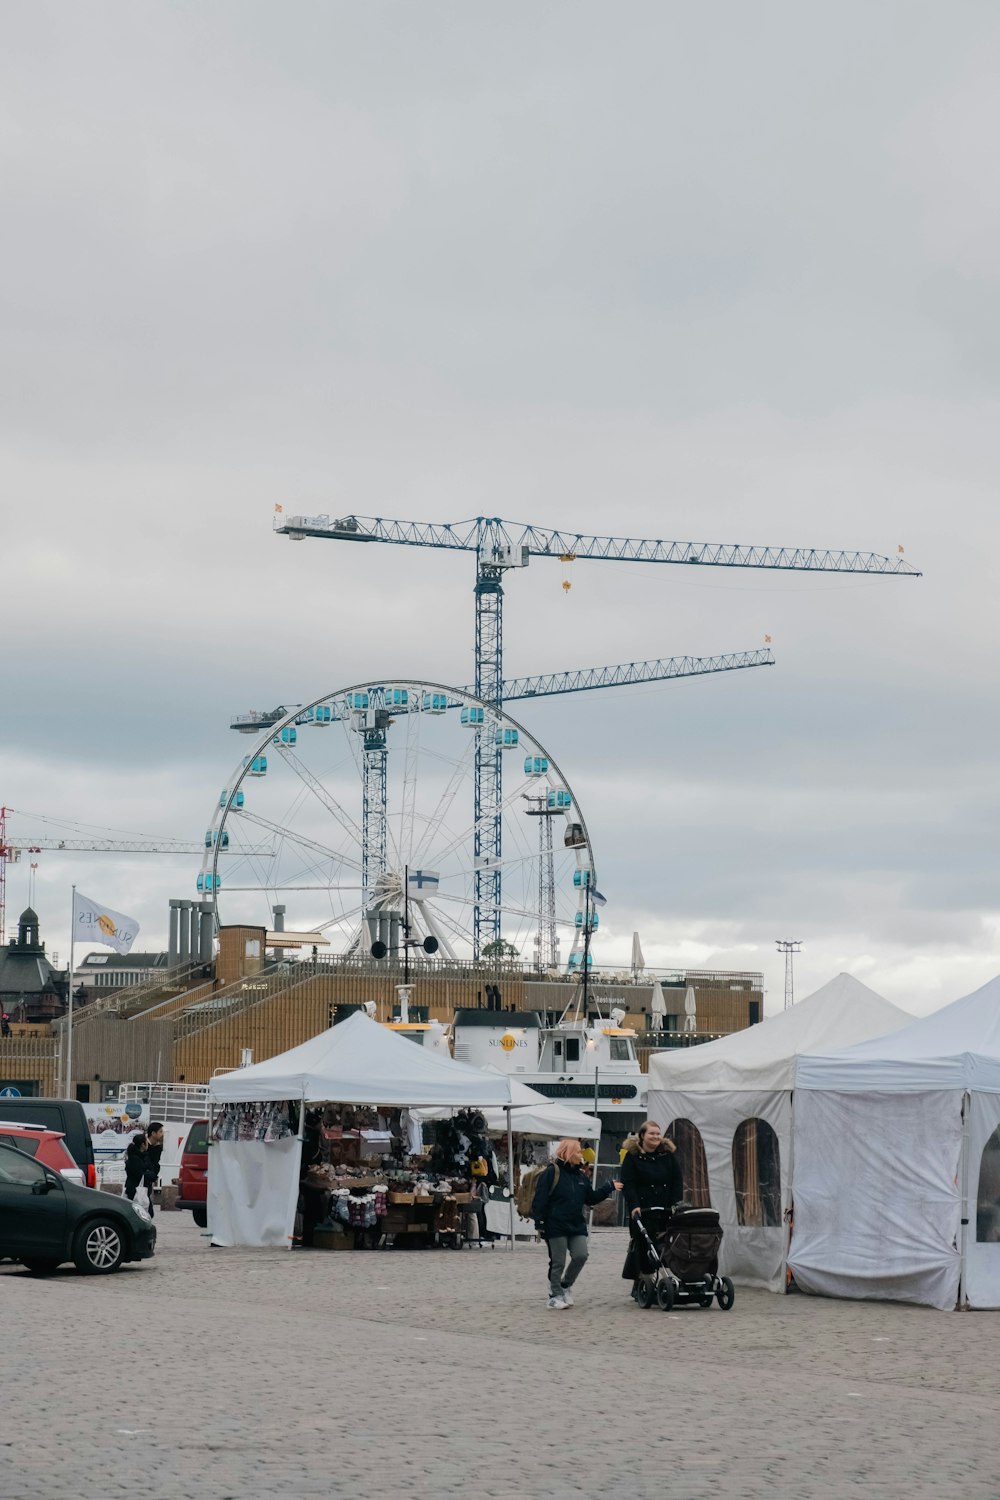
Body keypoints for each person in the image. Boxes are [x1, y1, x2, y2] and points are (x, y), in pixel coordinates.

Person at [531, 1138, 622, 1310]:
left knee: (581, 1255)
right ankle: (554, 1295)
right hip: (555, 1224)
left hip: (576, 1224)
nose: (581, 1154)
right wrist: (540, 1222)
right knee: (558, 1261)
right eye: (578, 1151)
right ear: (568, 1152)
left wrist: (608, 1187)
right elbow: (540, 1198)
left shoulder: (581, 1176)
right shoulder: (552, 1172)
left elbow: (590, 1198)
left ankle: (565, 1285)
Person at [620, 1120, 684, 1297]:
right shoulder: (632, 1157)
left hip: (664, 1207)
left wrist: (675, 1204)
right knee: (642, 1243)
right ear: (642, 1136)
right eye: (652, 1134)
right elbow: (628, 1184)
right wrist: (634, 1205)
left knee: (664, 1243)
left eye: (658, 1133)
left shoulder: (668, 1156)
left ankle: (662, 1277)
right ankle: (641, 1280)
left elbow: (677, 1181)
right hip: (642, 1207)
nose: (656, 1137)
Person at [143, 1122, 164, 1218]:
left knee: (147, 1202)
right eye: (160, 1131)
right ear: (153, 1133)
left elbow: (156, 1163)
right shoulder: (143, 1145)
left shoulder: (157, 1147)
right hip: (140, 1179)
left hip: (150, 1179)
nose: (162, 1134)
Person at [124, 1133, 149, 1208]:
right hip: (135, 1190)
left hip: (134, 1188)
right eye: (146, 1142)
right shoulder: (135, 1159)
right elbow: (139, 1174)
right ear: (142, 1144)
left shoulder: (137, 1156)